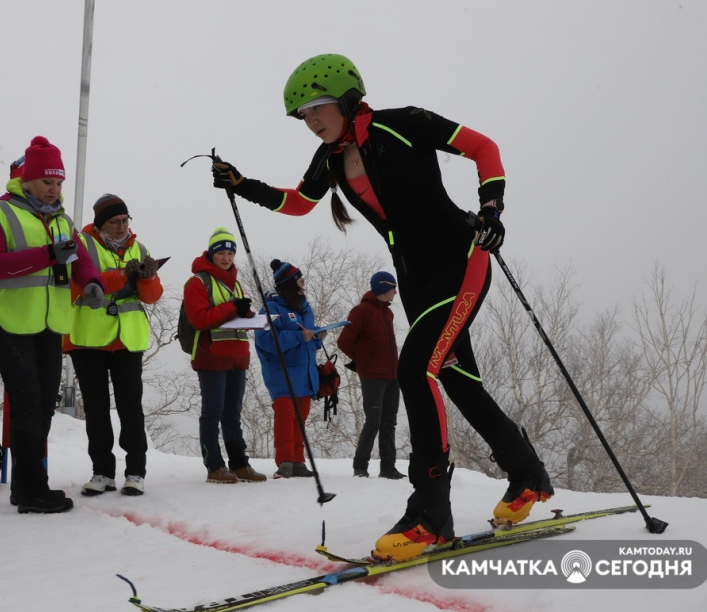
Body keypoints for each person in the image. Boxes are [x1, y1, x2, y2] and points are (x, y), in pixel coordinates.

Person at [211, 54, 553, 561]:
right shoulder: (330, 157)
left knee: (416, 371)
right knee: (457, 379)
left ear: (347, 99)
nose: (311, 122)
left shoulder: (404, 124)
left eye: (317, 109)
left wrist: (491, 209)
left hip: (459, 260)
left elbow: (484, 148)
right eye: (302, 116)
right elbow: (301, 202)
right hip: (415, 279)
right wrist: (243, 185)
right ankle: (528, 477)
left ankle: (430, 514)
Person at [0, 136, 104, 514]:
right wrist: (47, 255)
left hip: (49, 322)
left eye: (60, 182)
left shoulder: (62, 219)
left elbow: (80, 259)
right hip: (7, 320)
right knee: (28, 402)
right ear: (27, 180)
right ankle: (31, 491)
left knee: (42, 404)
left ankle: (29, 487)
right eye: (48, 182)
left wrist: (93, 281)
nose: (54, 189)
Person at [64, 194, 162, 497]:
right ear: (100, 223)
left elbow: (151, 297)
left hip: (128, 339)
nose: (121, 227)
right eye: (114, 222)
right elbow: (74, 285)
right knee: (96, 408)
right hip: (88, 338)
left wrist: (146, 278)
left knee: (131, 408)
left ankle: (136, 472)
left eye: (125, 220)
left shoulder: (140, 248)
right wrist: (122, 276)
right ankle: (102, 472)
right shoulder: (81, 245)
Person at [183, 227, 267, 484]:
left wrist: (251, 316)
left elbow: (234, 316)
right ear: (211, 254)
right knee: (213, 413)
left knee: (233, 414)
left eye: (231, 252)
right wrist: (234, 307)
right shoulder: (197, 282)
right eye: (221, 252)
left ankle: (239, 464)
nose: (227, 257)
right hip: (212, 357)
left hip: (237, 357)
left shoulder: (235, 283)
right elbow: (199, 319)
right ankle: (214, 466)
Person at [254, 260, 325, 479]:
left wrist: (316, 338)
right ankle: (285, 461)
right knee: (285, 416)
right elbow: (265, 339)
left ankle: (298, 461)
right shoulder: (269, 308)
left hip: (305, 373)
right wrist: (298, 336)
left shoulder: (305, 306)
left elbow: (308, 339)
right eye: (301, 280)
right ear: (291, 283)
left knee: (300, 418)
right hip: (282, 374)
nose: (304, 283)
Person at [337, 271, 404, 480]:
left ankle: (388, 468)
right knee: (373, 421)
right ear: (384, 287)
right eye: (393, 287)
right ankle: (360, 466)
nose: (395, 292)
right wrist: (364, 361)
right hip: (373, 377)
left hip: (393, 376)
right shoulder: (361, 311)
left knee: (389, 422)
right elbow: (343, 342)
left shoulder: (388, 313)